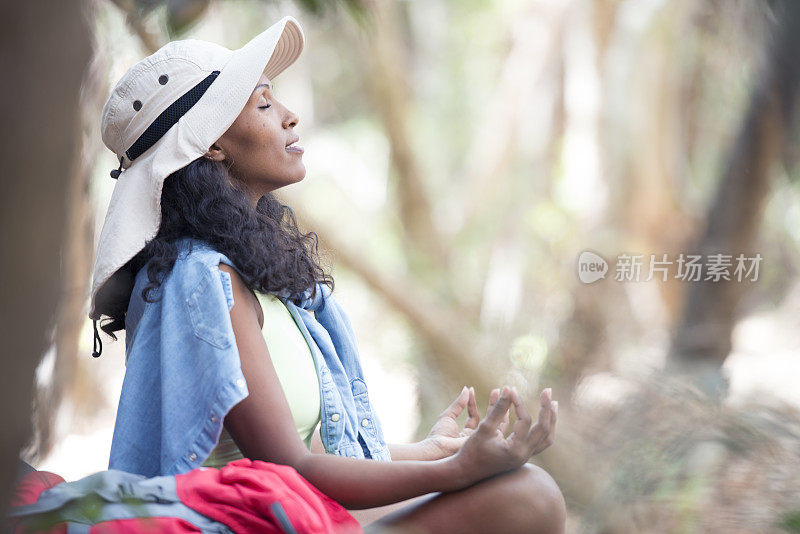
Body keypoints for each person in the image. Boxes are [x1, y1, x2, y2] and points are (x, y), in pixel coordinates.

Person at [88, 15, 566, 533]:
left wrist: (430, 453)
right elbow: (291, 469)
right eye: (264, 105)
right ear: (211, 146)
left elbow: (314, 441)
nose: (290, 116)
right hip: (248, 522)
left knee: (519, 489)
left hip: (288, 511)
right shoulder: (202, 282)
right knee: (527, 498)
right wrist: (455, 471)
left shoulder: (251, 275)